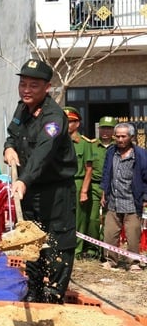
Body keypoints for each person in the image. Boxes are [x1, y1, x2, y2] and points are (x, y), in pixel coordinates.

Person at [3, 59, 77, 304]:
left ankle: (54, 295)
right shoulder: (21, 109)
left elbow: (42, 153)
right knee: (32, 240)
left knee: (57, 243)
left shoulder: (54, 118)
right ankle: (34, 292)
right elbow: (13, 135)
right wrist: (8, 148)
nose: (26, 89)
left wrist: (23, 180)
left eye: (33, 85)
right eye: (22, 84)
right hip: (30, 189)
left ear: (47, 87)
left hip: (56, 192)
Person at [100, 122, 147, 271]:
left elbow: (146, 177)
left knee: (133, 234)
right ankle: (110, 260)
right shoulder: (111, 152)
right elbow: (106, 173)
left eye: (123, 136)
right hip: (113, 199)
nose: (120, 139)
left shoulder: (140, 154)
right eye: (117, 136)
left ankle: (133, 262)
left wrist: (145, 197)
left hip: (132, 201)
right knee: (110, 233)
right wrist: (104, 193)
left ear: (131, 137)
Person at [63, 107, 94, 259]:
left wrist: (84, 191)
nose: (67, 124)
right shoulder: (58, 141)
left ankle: (77, 250)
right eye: (65, 121)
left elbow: (89, 169)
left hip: (77, 182)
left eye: (71, 122)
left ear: (78, 123)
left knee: (79, 218)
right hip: (61, 183)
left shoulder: (84, 143)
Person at [90, 116, 117, 258]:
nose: (105, 131)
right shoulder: (92, 145)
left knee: (109, 220)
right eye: (103, 128)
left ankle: (105, 250)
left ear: (114, 130)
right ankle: (92, 249)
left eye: (109, 128)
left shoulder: (118, 146)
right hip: (95, 186)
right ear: (98, 129)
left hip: (112, 187)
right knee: (93, 219)